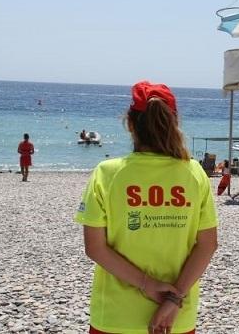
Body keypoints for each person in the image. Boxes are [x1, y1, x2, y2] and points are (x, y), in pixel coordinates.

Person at [74, 81, 218, 334]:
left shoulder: (107, 173)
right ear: (174, 122)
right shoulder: (194, 173)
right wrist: (174, 299)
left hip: (116, 316)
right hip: (176, 317)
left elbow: (95, 247)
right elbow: (207, 245)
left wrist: (146, 284)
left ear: (130, 124)